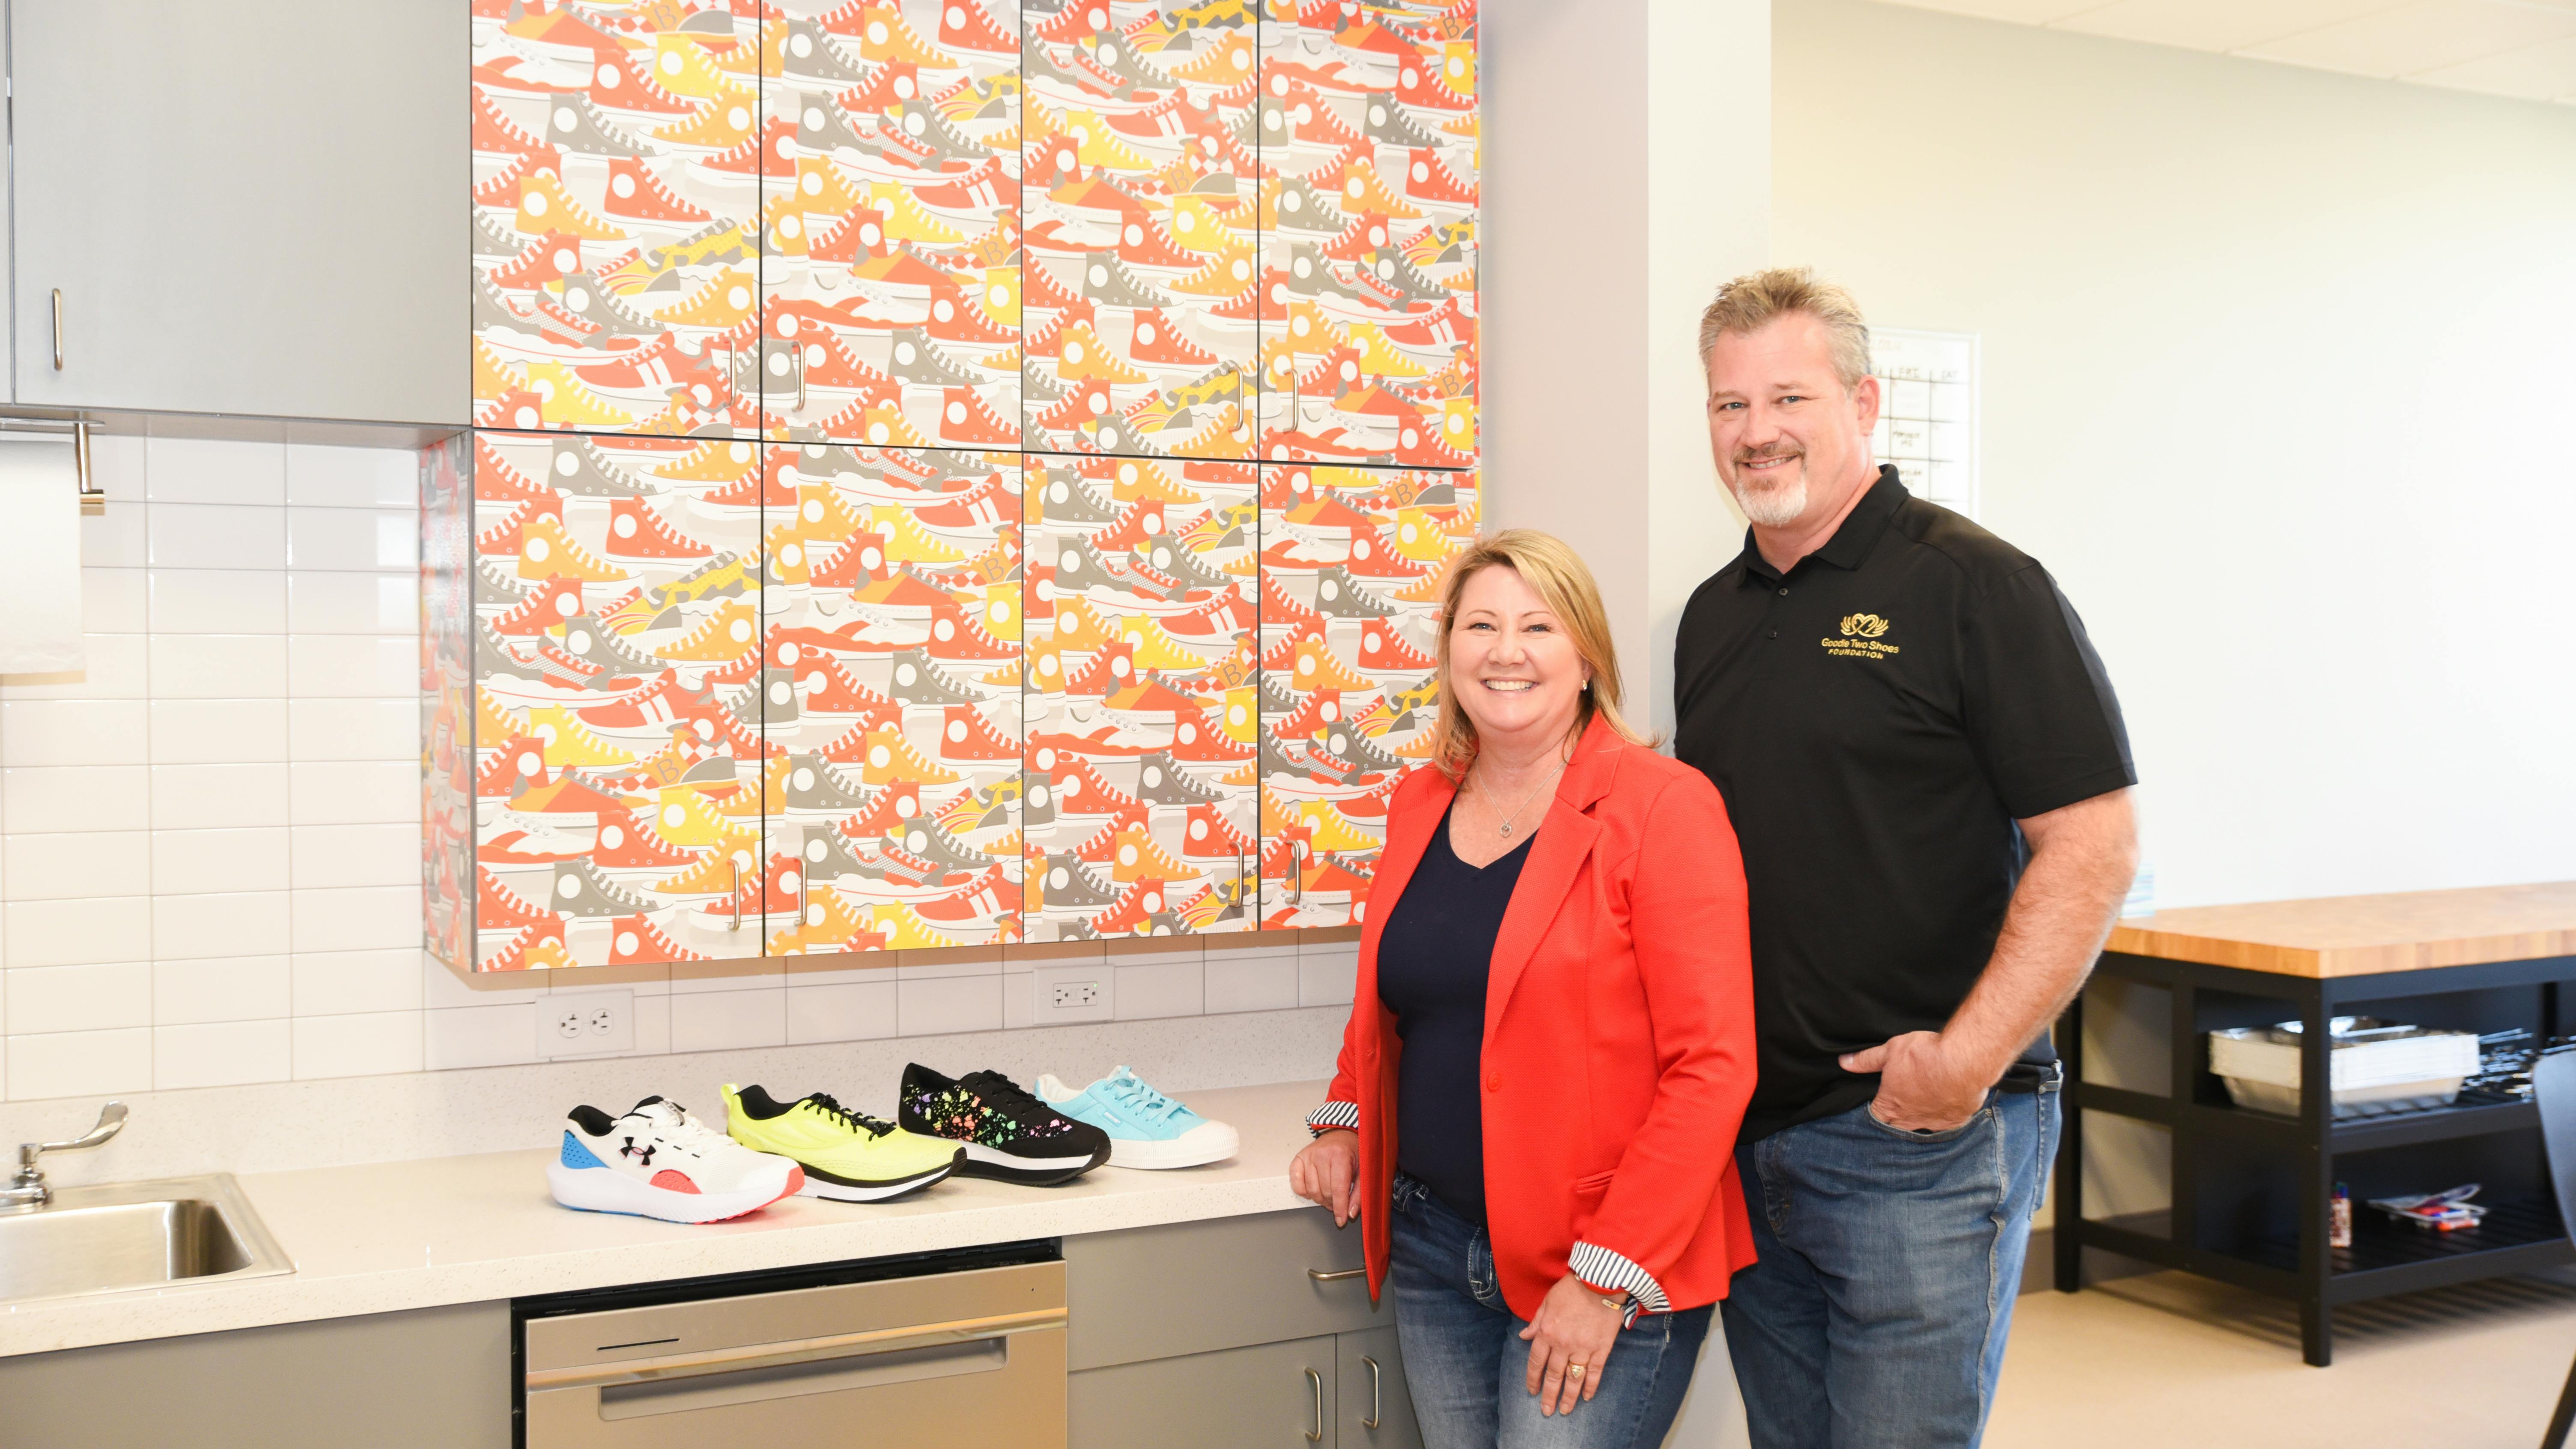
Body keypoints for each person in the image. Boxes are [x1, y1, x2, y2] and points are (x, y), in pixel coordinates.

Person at [1673, 268, 2140, 1448]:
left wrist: (1964, 1061)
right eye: (1730, 406)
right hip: (1753, 1137)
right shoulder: (1713, 615)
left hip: (1917, 1138)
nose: (1758, 431)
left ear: (1864, 404)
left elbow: (2093, 846)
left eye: (1790, 397)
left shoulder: (1977, 585)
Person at [1289, 530, 1759, 1449]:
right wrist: (1347, 1114)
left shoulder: (1663, 807)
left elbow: (1713, 1067)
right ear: (1449, 651)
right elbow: (1397, 1000)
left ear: (1585, 657)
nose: (1506, 651)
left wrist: (1604, 1273)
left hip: (1595, 1262)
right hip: (1433, 1243)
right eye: (1481, 625)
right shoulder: (1420, 799)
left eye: (1537, 626)